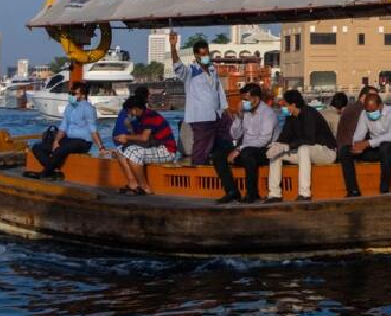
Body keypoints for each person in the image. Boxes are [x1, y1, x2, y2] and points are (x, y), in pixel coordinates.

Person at [265, 90, 337, 202]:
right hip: (306, 154)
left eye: (285, 105)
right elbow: (284, 137)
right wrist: (276, 145)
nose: (284, 108)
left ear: (293, 105)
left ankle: (304, 193)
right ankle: (274, 194)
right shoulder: (290, 118)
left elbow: (310, 139)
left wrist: (288, 146)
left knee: (303, 148)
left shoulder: (309, 113)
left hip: (326, 151)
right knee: (276, 154)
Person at [211, 83, 277, 204]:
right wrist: (239, 117)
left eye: (246, 100)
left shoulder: (268, 113)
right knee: (218, 154)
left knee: (247, 153)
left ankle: (252, 194)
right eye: (243, 100)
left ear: (256, 99)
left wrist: (239, 149)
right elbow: (234, 135)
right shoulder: (245, 112)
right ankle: (232, 191)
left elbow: (264, 140)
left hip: (264, 151)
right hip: (245, 150)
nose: (243, 103)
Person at [170, 31, 227, 165]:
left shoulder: (212, 70)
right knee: (200, 147)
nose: (205, 56)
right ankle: (196, 171)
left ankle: (205, 171)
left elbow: (219, 91)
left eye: (207, 53)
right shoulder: (190, 72)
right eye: (202, 54)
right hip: (200, 117)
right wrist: (173, 46)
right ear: (196, 56)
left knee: (210, 147)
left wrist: (224, 110)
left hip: (215, 115)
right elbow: (178, 66)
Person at [26, 81, 103, 180]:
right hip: (69, 139)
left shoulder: (88, 108)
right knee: (38, 147)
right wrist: (56, 141)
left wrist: (101, 147)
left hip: (83, 141)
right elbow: (63, 126)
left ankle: (45, 173)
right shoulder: (69, 107)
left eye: (74, 94)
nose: (71, 96)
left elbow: (93, 130)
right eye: (70, 93)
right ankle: (54, 171)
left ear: (83, 95)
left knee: (61, 150)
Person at [341, 92, 391, 197]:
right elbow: (359, 134)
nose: (370, 113)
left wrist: (368, 143)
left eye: (373, 110)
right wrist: (357, 145)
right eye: (368, 111)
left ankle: (385, 189)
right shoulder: (364, 114)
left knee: (386, 146)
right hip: (376, 149)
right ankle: (353, 190)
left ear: (380, 106)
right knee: (345, 151)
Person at [112, 96, 177, 195]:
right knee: (120, 151)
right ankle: (132, 184)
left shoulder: (150, 116)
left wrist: (126, 136)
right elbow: (139, 138)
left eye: (130, 111)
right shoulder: (139, 119)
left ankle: (145, 187)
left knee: (133, 152)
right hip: (153, 146)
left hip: (166, 150)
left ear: (135, 109)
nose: (129, 114)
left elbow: (144, 138)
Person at [335, 85, 376, 156]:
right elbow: (355, 135)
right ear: (363, 97)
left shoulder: (352, 108)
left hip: (344, 149)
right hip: (351, 151)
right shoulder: (360, 111)